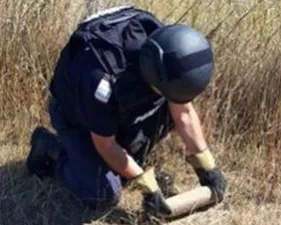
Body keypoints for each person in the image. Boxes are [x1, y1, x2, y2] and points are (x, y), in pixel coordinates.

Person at [26, 6, 227, 216]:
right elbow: (106, 145)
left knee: (125, 165)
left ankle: (122, 157)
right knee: (103, 193)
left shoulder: (165, 48)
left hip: (117, 106)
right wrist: (147, 186)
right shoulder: (102, 82)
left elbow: (183, 111)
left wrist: (207, 166)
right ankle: (52, 149)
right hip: (75, 113)